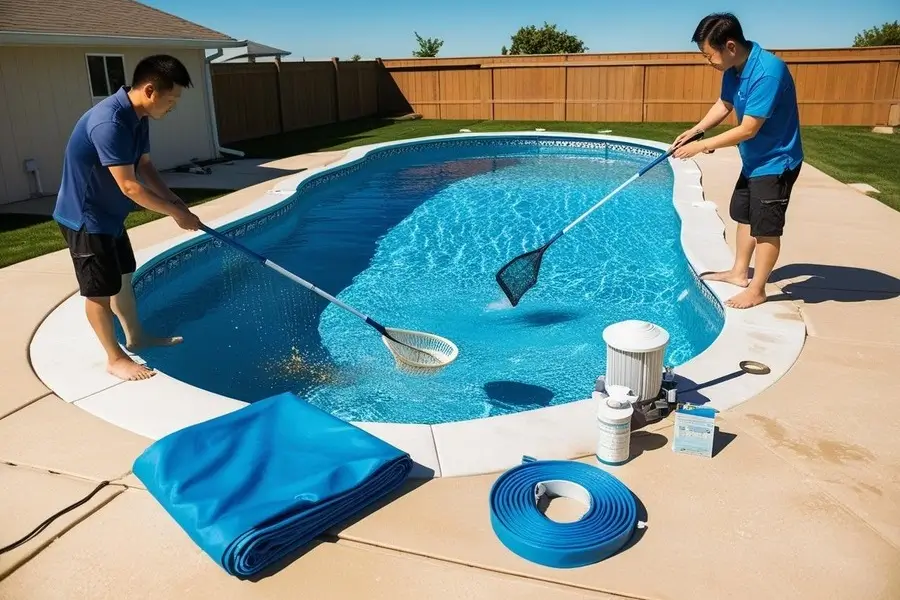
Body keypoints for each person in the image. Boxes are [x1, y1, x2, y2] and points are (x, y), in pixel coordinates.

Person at [53, 54, 203, 381]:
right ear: (150, 90)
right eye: (172, 99)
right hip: (85, 219)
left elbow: (144, 166)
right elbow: (131, 186)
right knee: (99, 290)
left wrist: (173, 199)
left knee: (123, 277)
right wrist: (176, 215)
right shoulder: (110, 122)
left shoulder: (139, 117)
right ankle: (114, 357)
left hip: (109, 215)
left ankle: (136, 337)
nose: (173, 106)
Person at [672, 13, 803, 309]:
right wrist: (695, 131)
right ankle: (739, 273)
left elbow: (748, 128)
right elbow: (724, 104)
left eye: (708, 55)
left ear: (729, 46)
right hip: (754, 160)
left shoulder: (768, 71)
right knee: (744, 215)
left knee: (766, 228)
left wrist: (702, 145)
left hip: (776, 162)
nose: (708, 62)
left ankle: (757, 290)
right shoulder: (733, 70)